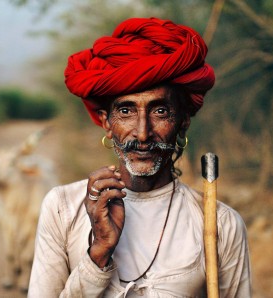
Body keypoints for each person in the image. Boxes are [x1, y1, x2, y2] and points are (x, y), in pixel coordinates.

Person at [28, 17, 251, 297]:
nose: (143, 134)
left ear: (183, 121)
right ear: (106, 122)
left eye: (160, 112)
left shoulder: (220, 223)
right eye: (126, 112)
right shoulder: (62, 208)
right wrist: (98, 253)